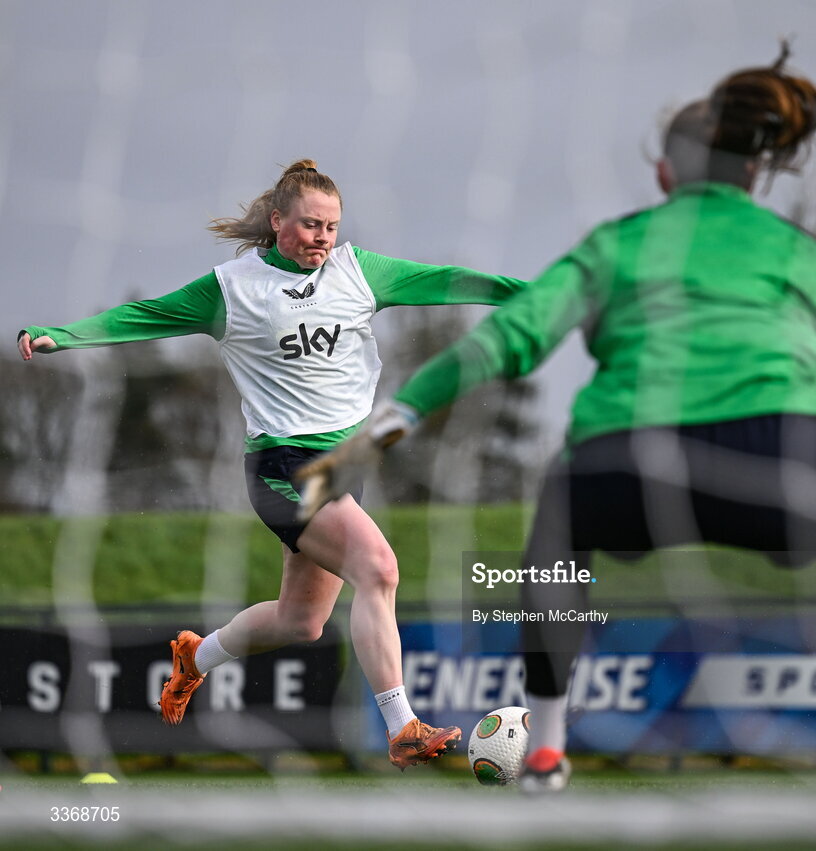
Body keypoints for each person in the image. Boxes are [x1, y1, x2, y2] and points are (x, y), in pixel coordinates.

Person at [330, 50, 816, 795]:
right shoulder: (802, 254)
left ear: (664, 173)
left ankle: (547, 751)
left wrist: (394, 419)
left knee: (559, 516)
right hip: (781, 467)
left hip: (625, 467)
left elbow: (506, 338)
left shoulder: (614, 244)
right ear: (754, 173)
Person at [18, 159, 528, 769]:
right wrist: (64, 336)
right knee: (379, 568)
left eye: (332, 227)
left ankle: (195, 658)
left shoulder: (360, 271)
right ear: (277, 221)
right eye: (311, 225)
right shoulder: (231, 288)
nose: (324, 238)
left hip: (345, 466)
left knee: (301, 622)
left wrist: (536, 297)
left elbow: (448, 280)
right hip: (282, 467)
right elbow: (143, 316)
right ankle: (403, 726)